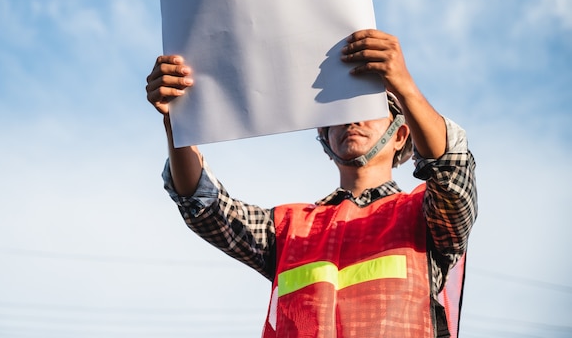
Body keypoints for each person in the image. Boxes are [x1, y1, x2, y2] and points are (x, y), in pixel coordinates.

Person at [146, 29, 477, 337]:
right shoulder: (289, 227)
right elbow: (204, 206)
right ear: (324, 138)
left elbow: (451, 170)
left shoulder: (424, 215)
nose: (353, 118)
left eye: (367, 106)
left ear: (401, 134)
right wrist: (178, 122)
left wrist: (402, 85)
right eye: (339, 112)